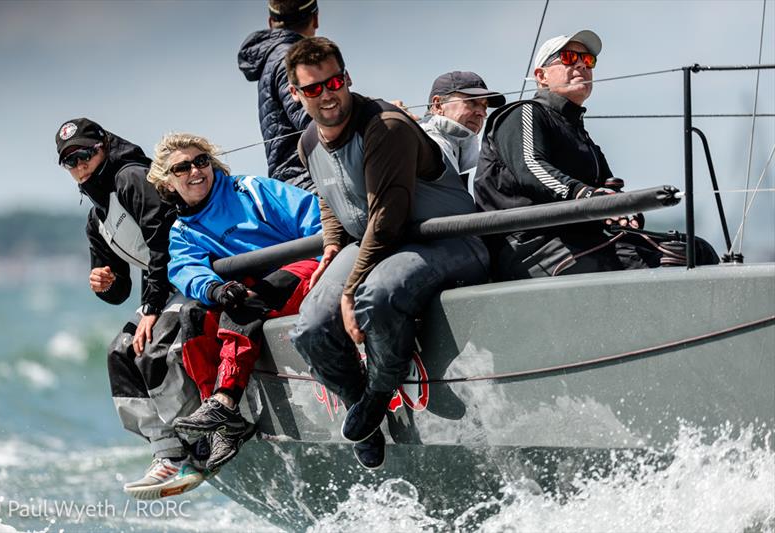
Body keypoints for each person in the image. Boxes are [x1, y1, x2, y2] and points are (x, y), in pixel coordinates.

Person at [285, 37, 489, 470]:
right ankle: (359, 404)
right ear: (296, 93)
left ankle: (378, 396)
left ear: (348, 78)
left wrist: (349, 288)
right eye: (313, 88)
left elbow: (389, 215)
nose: (328, 94)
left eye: (334, 81)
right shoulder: (307, 143)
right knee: (308, 328)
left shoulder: (386, 125)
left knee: (375, 294)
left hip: (443, 240)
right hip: (373, 244)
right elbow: (328, 194)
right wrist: (332, 242)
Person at [473, 30, 718, 279]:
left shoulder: (580, 135)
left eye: (588, 60)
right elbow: (531, 167)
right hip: (534, 249)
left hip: (582, 240)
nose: (581, 63)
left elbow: (608, 194)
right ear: (541, 76)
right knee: (668, 261)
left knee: (698, 250)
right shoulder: (523, 114)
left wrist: (624, 213)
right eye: (568, 57)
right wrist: (585, 194)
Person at [146, 133, 322, 471]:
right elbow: (185, 269)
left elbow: (314, 219)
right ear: (167, 183)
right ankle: (223, 425)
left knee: (245, 303)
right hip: (255, 286)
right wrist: (216, 290)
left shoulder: (251, 190)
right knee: (194, 316)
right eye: (182, 168)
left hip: (306, 268)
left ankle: (226, 399)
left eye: (201, 161)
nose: (195, 171)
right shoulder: (183, 229)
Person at [54, 118, 204, 499]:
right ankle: (167, 451)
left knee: (153, 350)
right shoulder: (97, 218)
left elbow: (162, 240)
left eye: (86, 154)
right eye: (71, 162)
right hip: (163, 291)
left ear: (104, 146)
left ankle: (198, 441)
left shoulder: (131, 177)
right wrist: (103, 282)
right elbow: (119, 288)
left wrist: (151, 307)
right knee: (119, 354)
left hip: (194, 275)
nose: (81, 165)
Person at [238, 0, 319, 193]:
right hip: (312, 182)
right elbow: (314, 122)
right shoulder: (292, 58)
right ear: (315, 19)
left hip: (294, 185)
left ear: (270, 22)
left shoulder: (276, 58)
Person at [419, 71, 505, 176]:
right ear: (438, 105)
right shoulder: (422, 141)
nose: (482, 113)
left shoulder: (466, 146)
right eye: (472, 101)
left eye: (484, 106)